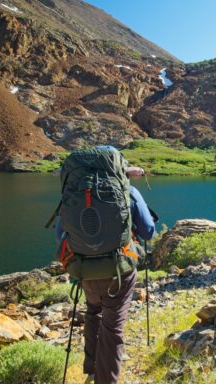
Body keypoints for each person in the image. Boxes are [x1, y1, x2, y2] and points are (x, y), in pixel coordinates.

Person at [55, 147, 155, 384]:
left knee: (93, 311)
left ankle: (91, 368)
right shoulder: (129, 192)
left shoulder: (73, 193)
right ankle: (106, 379)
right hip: (119, 269)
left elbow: (60, 235)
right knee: (113, 326)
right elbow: (149, 231)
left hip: (84, 269)